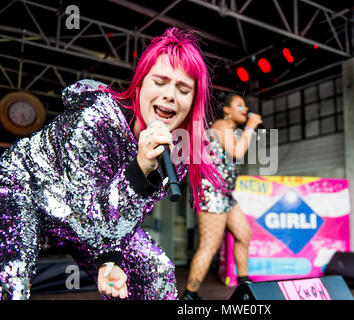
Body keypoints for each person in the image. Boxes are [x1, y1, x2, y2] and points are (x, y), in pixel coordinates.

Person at [0, 28, 224, 300]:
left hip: (87, 216)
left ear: (192, 101)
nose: (170, 95)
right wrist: (139, 167)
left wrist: (110, 258)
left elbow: (125, 218)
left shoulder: (175, 151)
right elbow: (88, 216)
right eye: (160, 82)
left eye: (183, 89)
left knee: (155, 271)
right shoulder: (96, 120)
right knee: (12, 275)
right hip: (25, 187)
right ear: (140, 84)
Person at [181, 93, 263, 300]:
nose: (245, 109)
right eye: (239, 105)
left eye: (245, 106)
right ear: (227, 110)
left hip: (226, 194)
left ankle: (244, 284)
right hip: (212, 193)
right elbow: (237, 152)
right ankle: (189, 295)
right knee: (209, 246)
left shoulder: (231, 130)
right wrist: (251, 126)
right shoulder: (220, 125)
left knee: (243, 234)